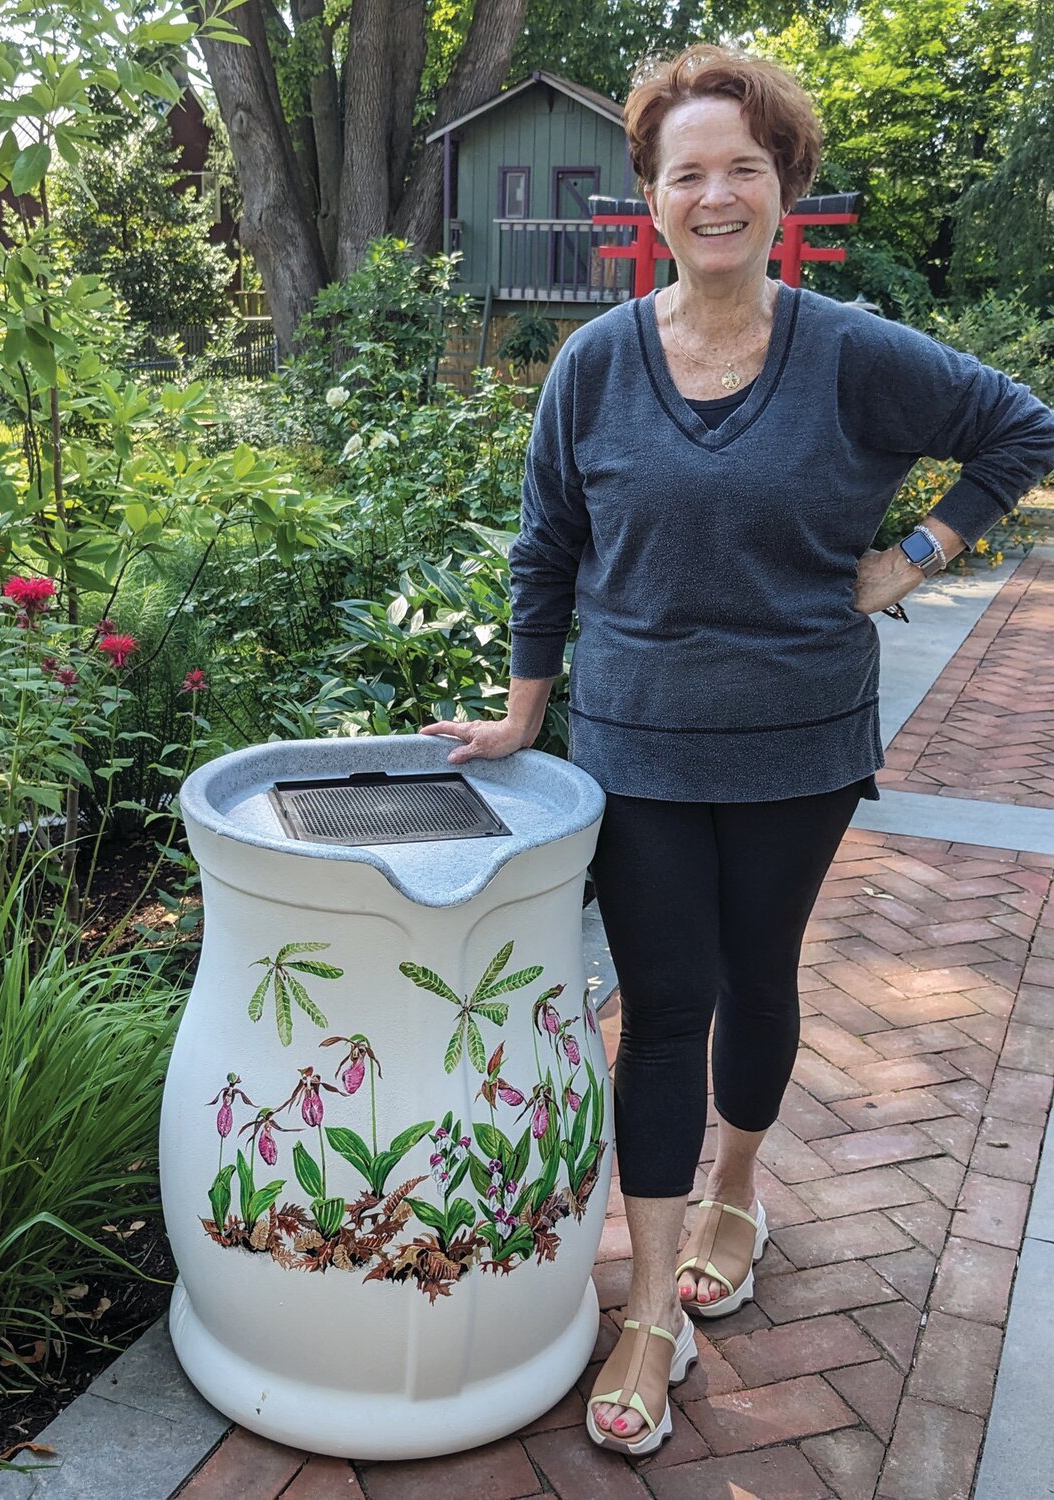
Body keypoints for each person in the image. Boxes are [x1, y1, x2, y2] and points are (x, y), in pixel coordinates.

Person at [421, 43, 1054, 1457]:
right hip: (635, 746)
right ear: (648, 196)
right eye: (686, 171)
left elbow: (1019, 426)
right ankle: (649, 1306)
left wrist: (917, 556)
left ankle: (737, 1190)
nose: (715, 194)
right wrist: (525, 713)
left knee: (754, 979)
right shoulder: (595, 363)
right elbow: (547, 548)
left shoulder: (851, 353)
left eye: (742, 169)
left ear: (783, 192)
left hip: (797, 747)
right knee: (659, 1009)